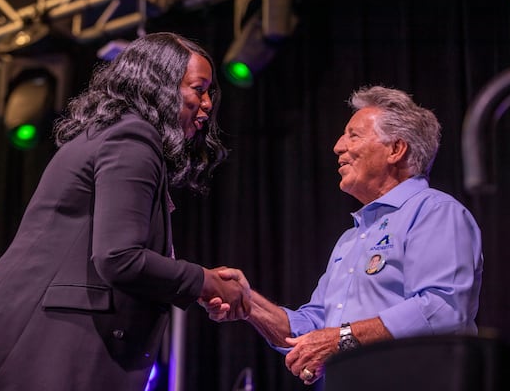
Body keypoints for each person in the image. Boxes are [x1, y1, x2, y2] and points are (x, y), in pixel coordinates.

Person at [0, 32, 251, 391]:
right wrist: (204, 281)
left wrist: (201, 284)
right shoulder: (132, 138)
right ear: (160, 85)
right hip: (41, 338)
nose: (207, 103)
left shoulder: (111, 133)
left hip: (29, 326)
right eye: (198, 88)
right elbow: (119, 257)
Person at [202, 85, 483, 385]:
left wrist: (340, 340)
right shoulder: (351, 239)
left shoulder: (435, 212)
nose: (337, 146)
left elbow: (441, 311)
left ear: (395, 150)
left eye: (353, 135)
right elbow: (312, 331)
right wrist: (248, 304)